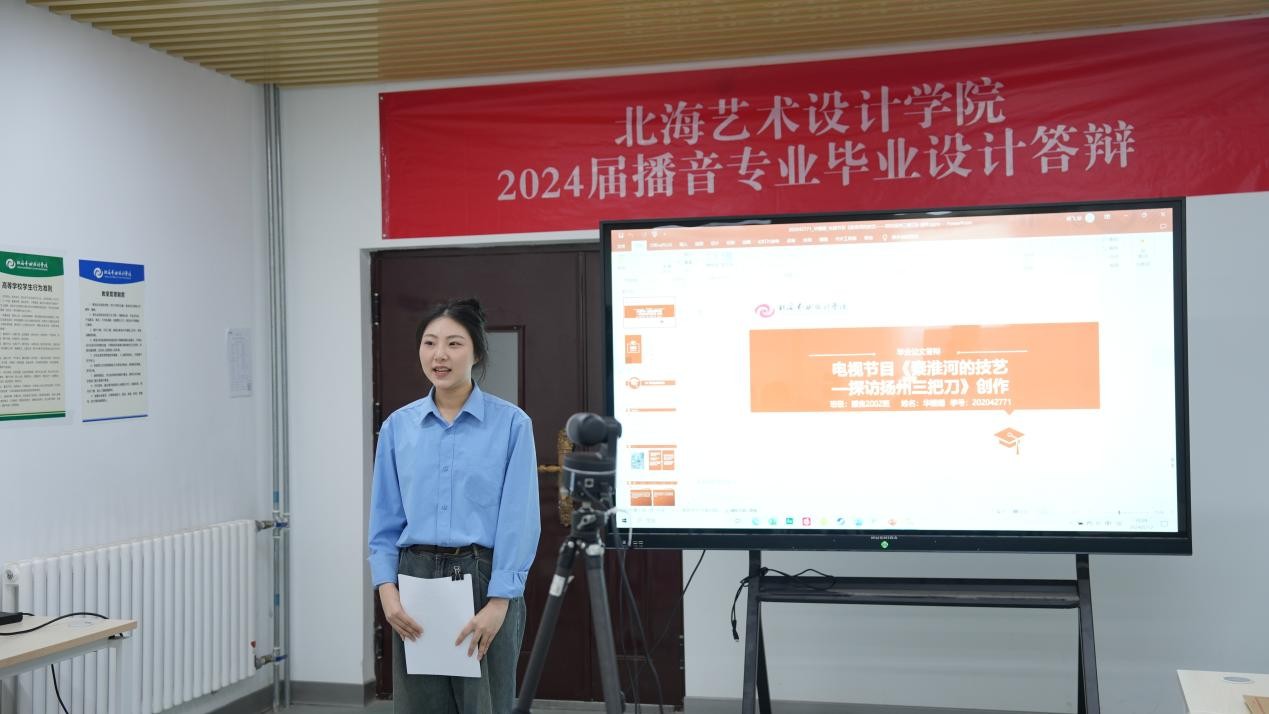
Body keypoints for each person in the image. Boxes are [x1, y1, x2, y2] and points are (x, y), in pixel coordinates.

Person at [368, 297, 540, 714]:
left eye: (454, 343)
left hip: (483, 578)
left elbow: (519, 520)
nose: (439, 355)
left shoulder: (512, 424)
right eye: (429, 343)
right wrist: (387, 591)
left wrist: (499, 602)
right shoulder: (397, 427)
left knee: (486, 705)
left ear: (477, 352)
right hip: (415, 579)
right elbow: (385, 519)